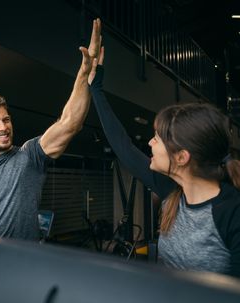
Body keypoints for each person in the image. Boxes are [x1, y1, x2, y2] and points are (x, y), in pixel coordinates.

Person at [0, 18, 102, 242]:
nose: (3, 127)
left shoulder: (29, 155)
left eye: (6, 120)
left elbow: (70, 123)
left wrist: (84, 72)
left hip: (23, 263)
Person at [88, 46, 240, 278]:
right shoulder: (173, 192)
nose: (149, 142)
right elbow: (124, 147)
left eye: (157, 139)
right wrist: (95, 87)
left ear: (181, 157)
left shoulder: (232, 213)